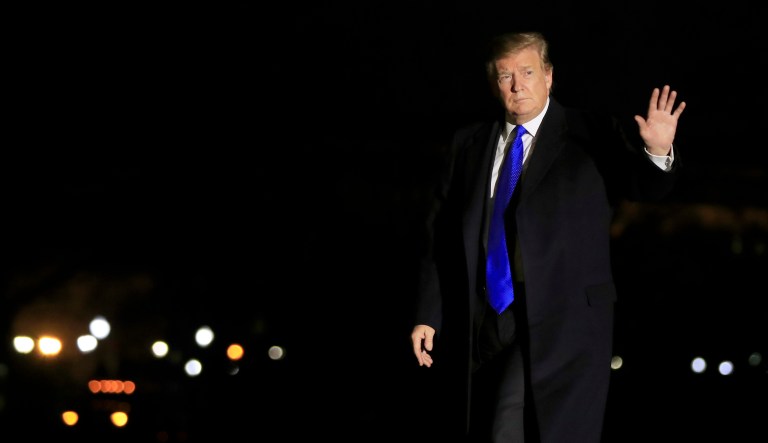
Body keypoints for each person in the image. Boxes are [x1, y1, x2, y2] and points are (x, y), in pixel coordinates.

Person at [409, 31, 686, 442]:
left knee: (512, 424)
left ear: (549, 77)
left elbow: (643, 186)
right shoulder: (469, 144)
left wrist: (658, 152)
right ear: (494, 84)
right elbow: (441, 233)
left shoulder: (587, 132)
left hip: (562, 318)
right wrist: (429, 313)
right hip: (485, 318)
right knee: (488, 425)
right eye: (506, 77)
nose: (518, 85)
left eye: (527, 72)